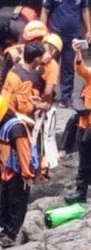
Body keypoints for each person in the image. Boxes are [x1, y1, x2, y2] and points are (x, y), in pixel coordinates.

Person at [0, 93, 36, 248]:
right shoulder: (0, 126)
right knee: (5, 202)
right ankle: (5, 229)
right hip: (6, 171)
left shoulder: (16, 128)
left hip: (18, 173)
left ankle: (12, 234)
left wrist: (27, 174)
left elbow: (24, 153)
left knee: (17, 203)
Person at [42, 0, 91, 106]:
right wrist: (43, 31)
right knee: (49, 64)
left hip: (73, 35)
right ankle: (47, 94)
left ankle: (66, 98)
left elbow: (84, 10)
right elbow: (45, 11)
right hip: (54, 36)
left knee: (69, 67)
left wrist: (89, 29)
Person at [67, 40, 91, 203]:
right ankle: (80, 192)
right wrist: (77, 53)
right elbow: (81, 69)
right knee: (84, 161)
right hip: (85, 124)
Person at [1, 41, 49, 118]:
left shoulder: (13, 69)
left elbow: (17, 94)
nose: (42, 60)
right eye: (41, 58)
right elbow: (23, 108)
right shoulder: (26, 80)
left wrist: (31, 99)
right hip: (11, 114)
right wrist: (38, 106)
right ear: (36, 59)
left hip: (3, 107)